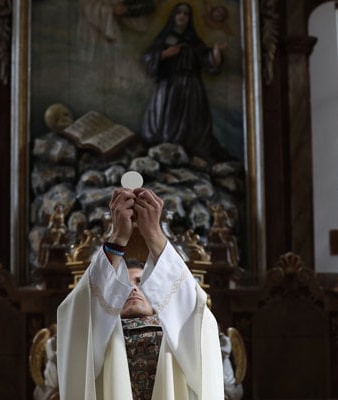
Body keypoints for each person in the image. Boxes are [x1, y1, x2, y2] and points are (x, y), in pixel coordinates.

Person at [57, 187, 224, 399]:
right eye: (122, 285)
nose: (132, 288)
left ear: (160, 295)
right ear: (110, 296)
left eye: (139, 282)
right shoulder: (99, 335)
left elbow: (194, 312)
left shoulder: (176, 333)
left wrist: (154, 233)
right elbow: (76, 315)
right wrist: (117, 238)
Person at [141, 2, 229, 163]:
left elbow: (208, 61)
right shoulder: (165, 37)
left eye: (186, 14)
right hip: (169, 85)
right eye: (179, 13)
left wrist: (216, 51)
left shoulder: (193, 40)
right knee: (166, 120)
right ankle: (166, 153)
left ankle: (188, 155)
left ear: (189, 18)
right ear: (173, 16)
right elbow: (148, 57)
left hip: (191, 87)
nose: (182, 16)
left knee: (192, 123)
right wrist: (166, 54)